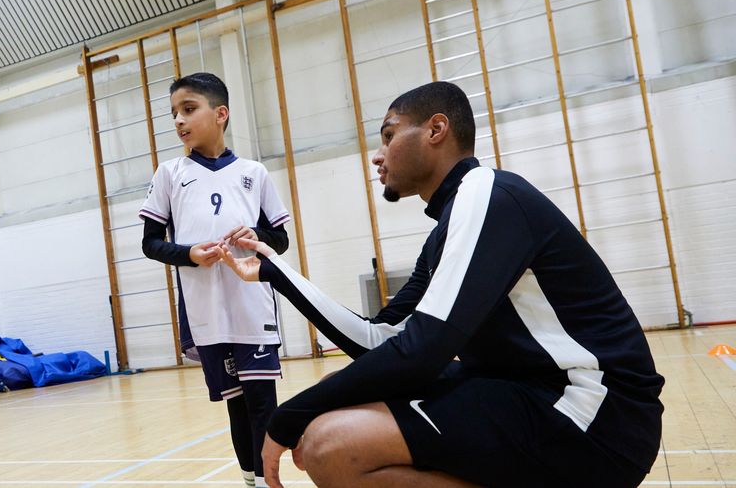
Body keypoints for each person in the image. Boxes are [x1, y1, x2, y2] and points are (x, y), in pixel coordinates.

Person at [218, 81, 664, 488]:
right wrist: (276, 272)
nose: (378, 155)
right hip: (524, 394)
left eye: (389, 135)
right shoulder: (447, 230)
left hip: (593, 417)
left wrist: (287, 416)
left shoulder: (487, 192)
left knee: (331, 443)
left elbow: (423, 351)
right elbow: (380, 340)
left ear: (436, 129)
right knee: (339, 403)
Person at [139, 72, 292, 488]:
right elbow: (150, 244)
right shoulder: (170, 174)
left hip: (253, 303)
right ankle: (251, 480)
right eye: (173, 113)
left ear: (220, 113)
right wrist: (188, 254)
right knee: (237, 404)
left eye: (188, 109)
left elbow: (281, 239)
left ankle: (269, 480)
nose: (178, 121)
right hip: (205, 308)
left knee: (263, 402)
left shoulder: (255, 173)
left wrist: (256, 236)